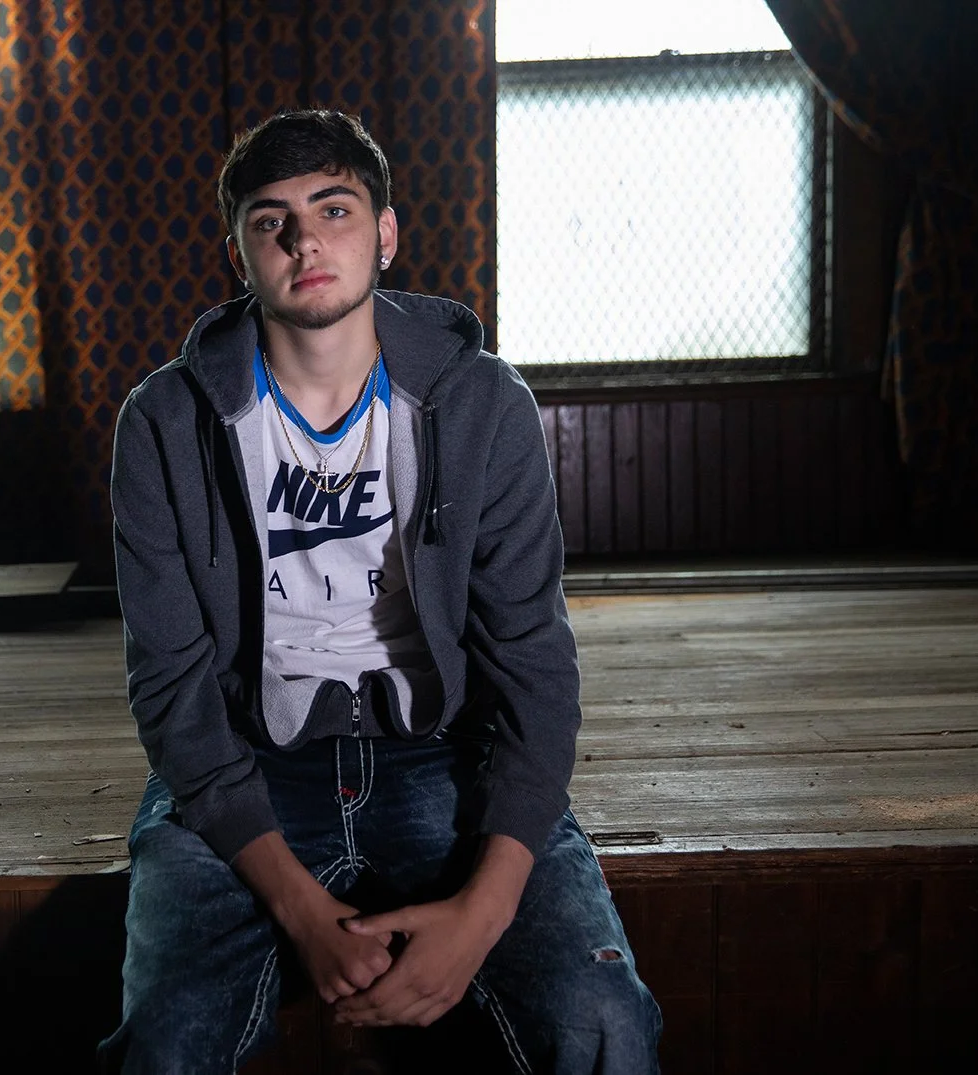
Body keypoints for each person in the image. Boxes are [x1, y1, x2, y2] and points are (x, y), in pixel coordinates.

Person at [98, 109, 660, 1074]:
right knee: (166, 1044)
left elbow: (533, 666)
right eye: (270, 219)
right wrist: (301, 909)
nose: (304, 238)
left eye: (334, 208)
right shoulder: (162, 422)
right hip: (248, 756)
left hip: (440, 753)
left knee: (600, 1017)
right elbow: (172, 688)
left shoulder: (483, 405)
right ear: (237, 251)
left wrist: (481, 917)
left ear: (385, 234)